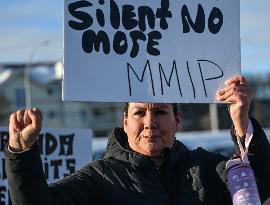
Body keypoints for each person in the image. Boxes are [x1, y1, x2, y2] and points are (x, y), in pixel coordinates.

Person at [4, 76, 270, 205]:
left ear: (177, 121)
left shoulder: (207, 167)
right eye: (139, 112)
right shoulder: (99, 177)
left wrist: (240, 121)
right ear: (125, 122)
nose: (149, 122)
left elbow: (258, 186)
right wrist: (22, 153)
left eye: (160, 112)